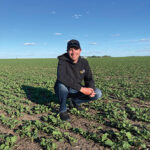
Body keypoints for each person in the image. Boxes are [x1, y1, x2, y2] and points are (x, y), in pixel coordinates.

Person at [54, 39, 102, 121]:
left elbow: (89, 78)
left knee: (97, 93)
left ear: (80, 50)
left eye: (76, 49)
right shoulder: (62, 60)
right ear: (67, 51)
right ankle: (63, 110)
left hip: (75, 89)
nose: (73, 52)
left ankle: (75, 101)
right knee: (61, 86)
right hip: (64, 89)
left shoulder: (84, 62)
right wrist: (82, 89)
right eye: (70, 49)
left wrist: (90, 88)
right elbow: (61, 77)